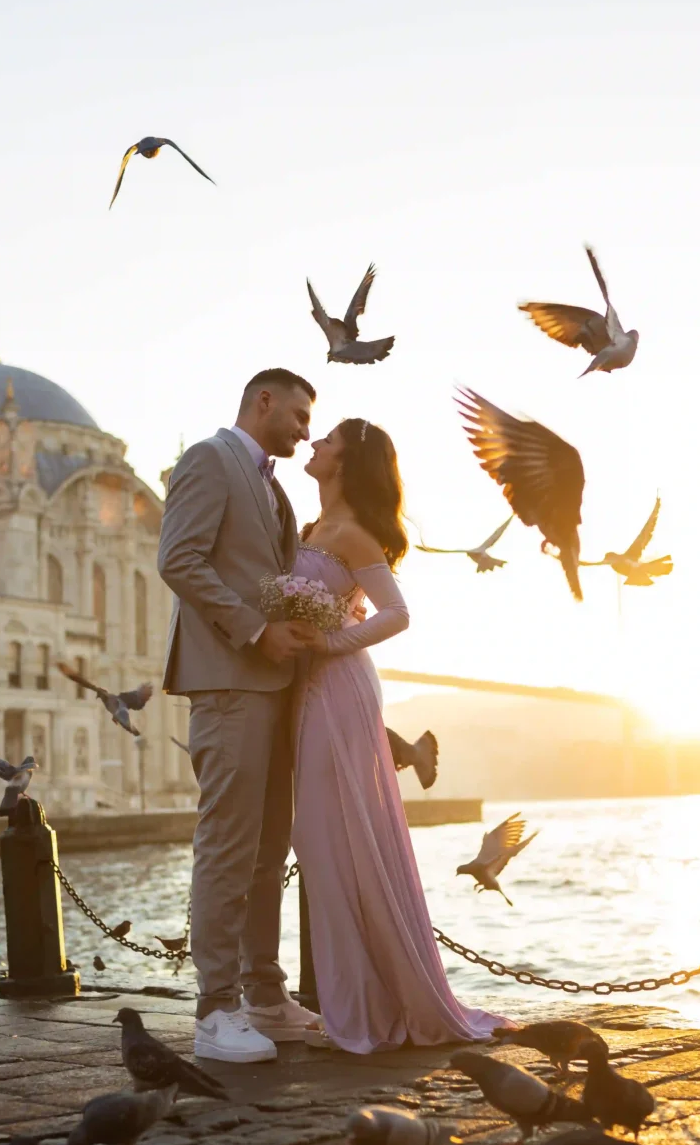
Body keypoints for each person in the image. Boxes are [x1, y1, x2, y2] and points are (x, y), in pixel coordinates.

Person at [293, 418, 516, 1052]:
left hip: (337, 691)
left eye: (327, 439)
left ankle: (363, 1011)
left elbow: (397, 613)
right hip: (304, 692)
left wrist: (332, 640)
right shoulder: (309, 529)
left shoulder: (351, 533)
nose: (314, 444)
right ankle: (354, 1001)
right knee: (319, 842)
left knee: (342, 839)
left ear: (347, 461)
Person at [157, 368, 329, 1062]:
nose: (304, 429)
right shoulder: (208, 459)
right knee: (228, 846)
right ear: (263, 401)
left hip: (274, 685)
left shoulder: (274, 486)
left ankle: (263, 994)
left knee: (268, 850)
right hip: (228, 680)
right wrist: (256, 631)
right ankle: (213, 1011)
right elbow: (179, 559)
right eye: (297, 413)